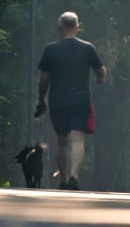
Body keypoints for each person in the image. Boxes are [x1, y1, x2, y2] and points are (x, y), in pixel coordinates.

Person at [35, 12, 106, 191]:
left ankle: (64, 180)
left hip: (58, 101)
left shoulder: (51, 49)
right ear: (77, 27)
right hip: (81, 101)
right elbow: (101, 71)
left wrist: (41, 100)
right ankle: (74, 176)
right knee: (77, 141)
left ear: (60, 28)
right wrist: (100, 78)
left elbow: (44, 78)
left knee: (61, 141)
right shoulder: (87, 48)